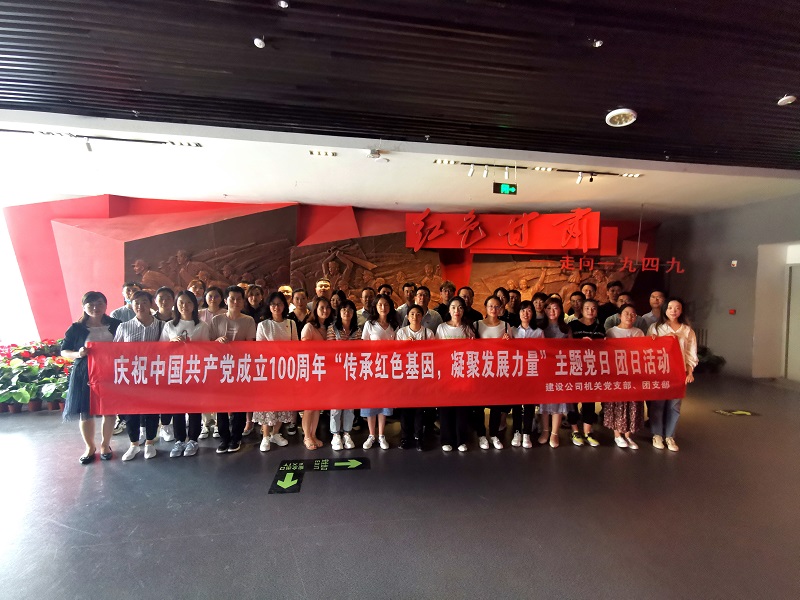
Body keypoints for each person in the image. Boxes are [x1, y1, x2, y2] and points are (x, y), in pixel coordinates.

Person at [61, 291, 122, 464]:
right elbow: (64, 351)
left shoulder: (116, 324)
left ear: (106, 305)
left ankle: (105, 445)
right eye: (91, 304)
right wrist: (78, 353)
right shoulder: (76, 328)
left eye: (99, 303)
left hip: (111, 371)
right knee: (85, 412)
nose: (96, 308)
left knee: (109, 410)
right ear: (84, 307)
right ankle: (89, 447)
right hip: (85, 372)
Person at [114, 291, 164, 461]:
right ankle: (134, 444)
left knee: (152, 410)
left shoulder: (162, 325)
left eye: (144, 302)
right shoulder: (124, 327)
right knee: (131, 412)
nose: (140, 306)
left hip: (153, 375)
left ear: (151, 304)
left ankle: (150, 442)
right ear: (131, 304)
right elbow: (115, 351)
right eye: (136, 302)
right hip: (131, 376)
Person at [160, 290, 211, 457]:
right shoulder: (170, 325)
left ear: (194, 305)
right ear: (176, 305)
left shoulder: (202, 326)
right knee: (178, 407)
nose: (185, 306)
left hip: (194, 371)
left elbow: (207, 350)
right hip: (175, 372)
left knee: (194, 407)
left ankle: (193, 440)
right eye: (181, 302)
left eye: (188, 302)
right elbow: (160, 349)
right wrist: (171, 343)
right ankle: (179, 440)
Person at [211, 286, 257, 453]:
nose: (235, 302)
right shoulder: (216, 320)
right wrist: (217, 341)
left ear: (243, 302)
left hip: (240, 367)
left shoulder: (249, 320)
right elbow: (208, 344)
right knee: (221, 404)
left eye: (239, 299)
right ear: (225, 301)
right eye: (232, 299)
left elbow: (250, 344)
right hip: (221, 368)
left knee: (239, 403)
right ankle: (224, 438)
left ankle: (236, 437)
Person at [647, 297, 698, 452]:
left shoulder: (687, 330)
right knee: (658, 404)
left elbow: (691, 354)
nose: (673, 311)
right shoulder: (656, 328)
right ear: (665, 310)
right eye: (670, 308)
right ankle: (657, 434)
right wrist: (654, 340)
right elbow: (647, 350)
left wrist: (689, 372)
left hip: (678, 373)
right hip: (660, 372)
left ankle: (670, 436)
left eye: (677, 308)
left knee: (674, 406)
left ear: (681, 311)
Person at [253, 292, 299, 452]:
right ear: (268, 306)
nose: (276, 307)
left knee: (283, 403)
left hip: (286, 370)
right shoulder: (263, 325)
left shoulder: (291, 323)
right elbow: (260, 350)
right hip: (268, 371)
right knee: (267, 404)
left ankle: (275, 433)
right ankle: (265, 436)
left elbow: (296, 346)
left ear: (284, 306)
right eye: (273, 304)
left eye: (279, 304)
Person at [435, 296, 475, 452]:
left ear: (463, 310)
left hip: (463, 374)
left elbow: (473, 351)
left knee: (461, 408)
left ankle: (461, 440)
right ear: (449, 310)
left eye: (460, 307)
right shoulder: (441, 328)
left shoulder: (468, 328)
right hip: (446, 373)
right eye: (453, 307)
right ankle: (446, 439)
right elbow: (436, 351)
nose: (456, 310)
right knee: (445, 408)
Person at [605, 304, 647, 448]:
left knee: (633, 404)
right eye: (626, 313)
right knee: (617, 404)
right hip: (616, 374)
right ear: (619, 316)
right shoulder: (611, 332)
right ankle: (617, 435)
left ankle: (628, 436)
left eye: (633, 314)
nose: (630, 316)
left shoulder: (639, 332)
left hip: (633, 374)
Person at [474, 295, 513, 450]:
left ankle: (494, 434)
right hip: (480, 370)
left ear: (501, 308)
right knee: (479, 404)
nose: (494, 309)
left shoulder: (506, 325)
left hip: (498, 371)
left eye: (497, 306)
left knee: (496, 404)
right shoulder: (477, 324)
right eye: (491, 306)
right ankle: (481, 434)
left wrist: (509, 342)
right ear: (485, 307)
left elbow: (514, 349)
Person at [360, 294, 397, 450]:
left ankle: (381, 435)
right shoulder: (370, 324)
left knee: (383, 402)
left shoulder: (393, 325)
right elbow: (363, 346)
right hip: (372, 368)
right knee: (371, 402)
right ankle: (371, 435)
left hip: (387, 369)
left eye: (386, 304)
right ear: (375, 306)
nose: (383, 307)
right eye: (380, 304)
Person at [567, 299, 605, 447]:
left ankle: (588, 432)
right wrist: (579, 343)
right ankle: (575, 431)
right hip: (574, 368)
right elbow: (565, 345)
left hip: (592, 369)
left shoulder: (600, 328)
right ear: (581, 310)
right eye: (587, 308)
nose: (590, 311)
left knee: (589, 400)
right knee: (572, 400)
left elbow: (604, 349)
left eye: (593, 308)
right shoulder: (573, 326)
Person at [396, 304, 435, 450]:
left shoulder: (428, 333)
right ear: (407, 316)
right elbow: (396, 354)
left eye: (418, 314)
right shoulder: (401, 332)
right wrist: (405, 345)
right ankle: (405, 438)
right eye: (412, 314)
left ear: (422, 316)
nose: (415, 317)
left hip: (421, 376)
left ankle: (419, 437)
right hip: (405, 376)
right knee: (405, 408)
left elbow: (434, 353)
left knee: (419, 408)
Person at [326, 299, 362, 450]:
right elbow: (330, 351)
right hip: (336, 373)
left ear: (354, 313)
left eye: (350, 310)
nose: (347, 312)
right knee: (336, 405)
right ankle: (335, 435)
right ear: (339, 312)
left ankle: (347, 433)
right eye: (343, 310)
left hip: (352, 372)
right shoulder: (332, 329)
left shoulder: (357, 330)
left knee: (349, 405)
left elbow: (359, 351)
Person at [299, 296, 333, 449]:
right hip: (311, 371)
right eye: (321, 308)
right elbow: (303, 351)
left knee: (318, 405)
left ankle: (313, 434)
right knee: (309, 406)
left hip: (324, 372)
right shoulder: (309, 327)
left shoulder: (329, 327)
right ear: (315, 309)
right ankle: (307, 436)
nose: (325, 310)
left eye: (327, 307)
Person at [538, 297, 572, 448]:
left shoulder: (566, 328)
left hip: (561, 370)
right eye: (548, 308)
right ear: (544, 310)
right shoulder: (540, 327)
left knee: (559, 401)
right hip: (544, 370)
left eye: (555, 308)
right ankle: (545, 431)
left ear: (561, 310)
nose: (552, 311)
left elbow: (572, 349)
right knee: (544, 402)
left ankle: (554, 433)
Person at [509, 300, 543, 449]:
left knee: (529, 404)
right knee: (516, 404)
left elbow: (543, 353)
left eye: (529, 310)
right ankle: (517, 431)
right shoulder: (512, 331)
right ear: (518, 313)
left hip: (531, 373)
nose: (525, 313)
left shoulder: (538, 332)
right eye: (523, 310)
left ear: (533, 313)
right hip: (516, 373)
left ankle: (527, 433)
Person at [152, 286, 177, 442]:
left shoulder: (178, 319)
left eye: (168, 298)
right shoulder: (150, 319)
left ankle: (166, 425)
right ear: (155, 301)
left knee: (169, 396)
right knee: (154, 396)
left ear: (173, 301)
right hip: (154, 363)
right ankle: (150, 428)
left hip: (173, 364)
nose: (165, 301)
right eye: (161, 298)